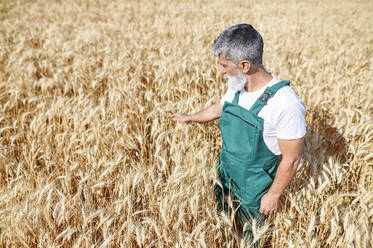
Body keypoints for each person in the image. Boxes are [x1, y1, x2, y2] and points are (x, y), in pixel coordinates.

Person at [172, 24, 306, 244]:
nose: (221, 71)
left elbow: (291, 159)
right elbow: (221, 107)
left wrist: (273, 195)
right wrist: (191, 117)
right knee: (224, 230)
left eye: (225, 65)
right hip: (224, 173)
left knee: (251, 240)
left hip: (254, 188)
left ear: (245, 65)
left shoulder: (285, 104)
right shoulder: (237, 84)